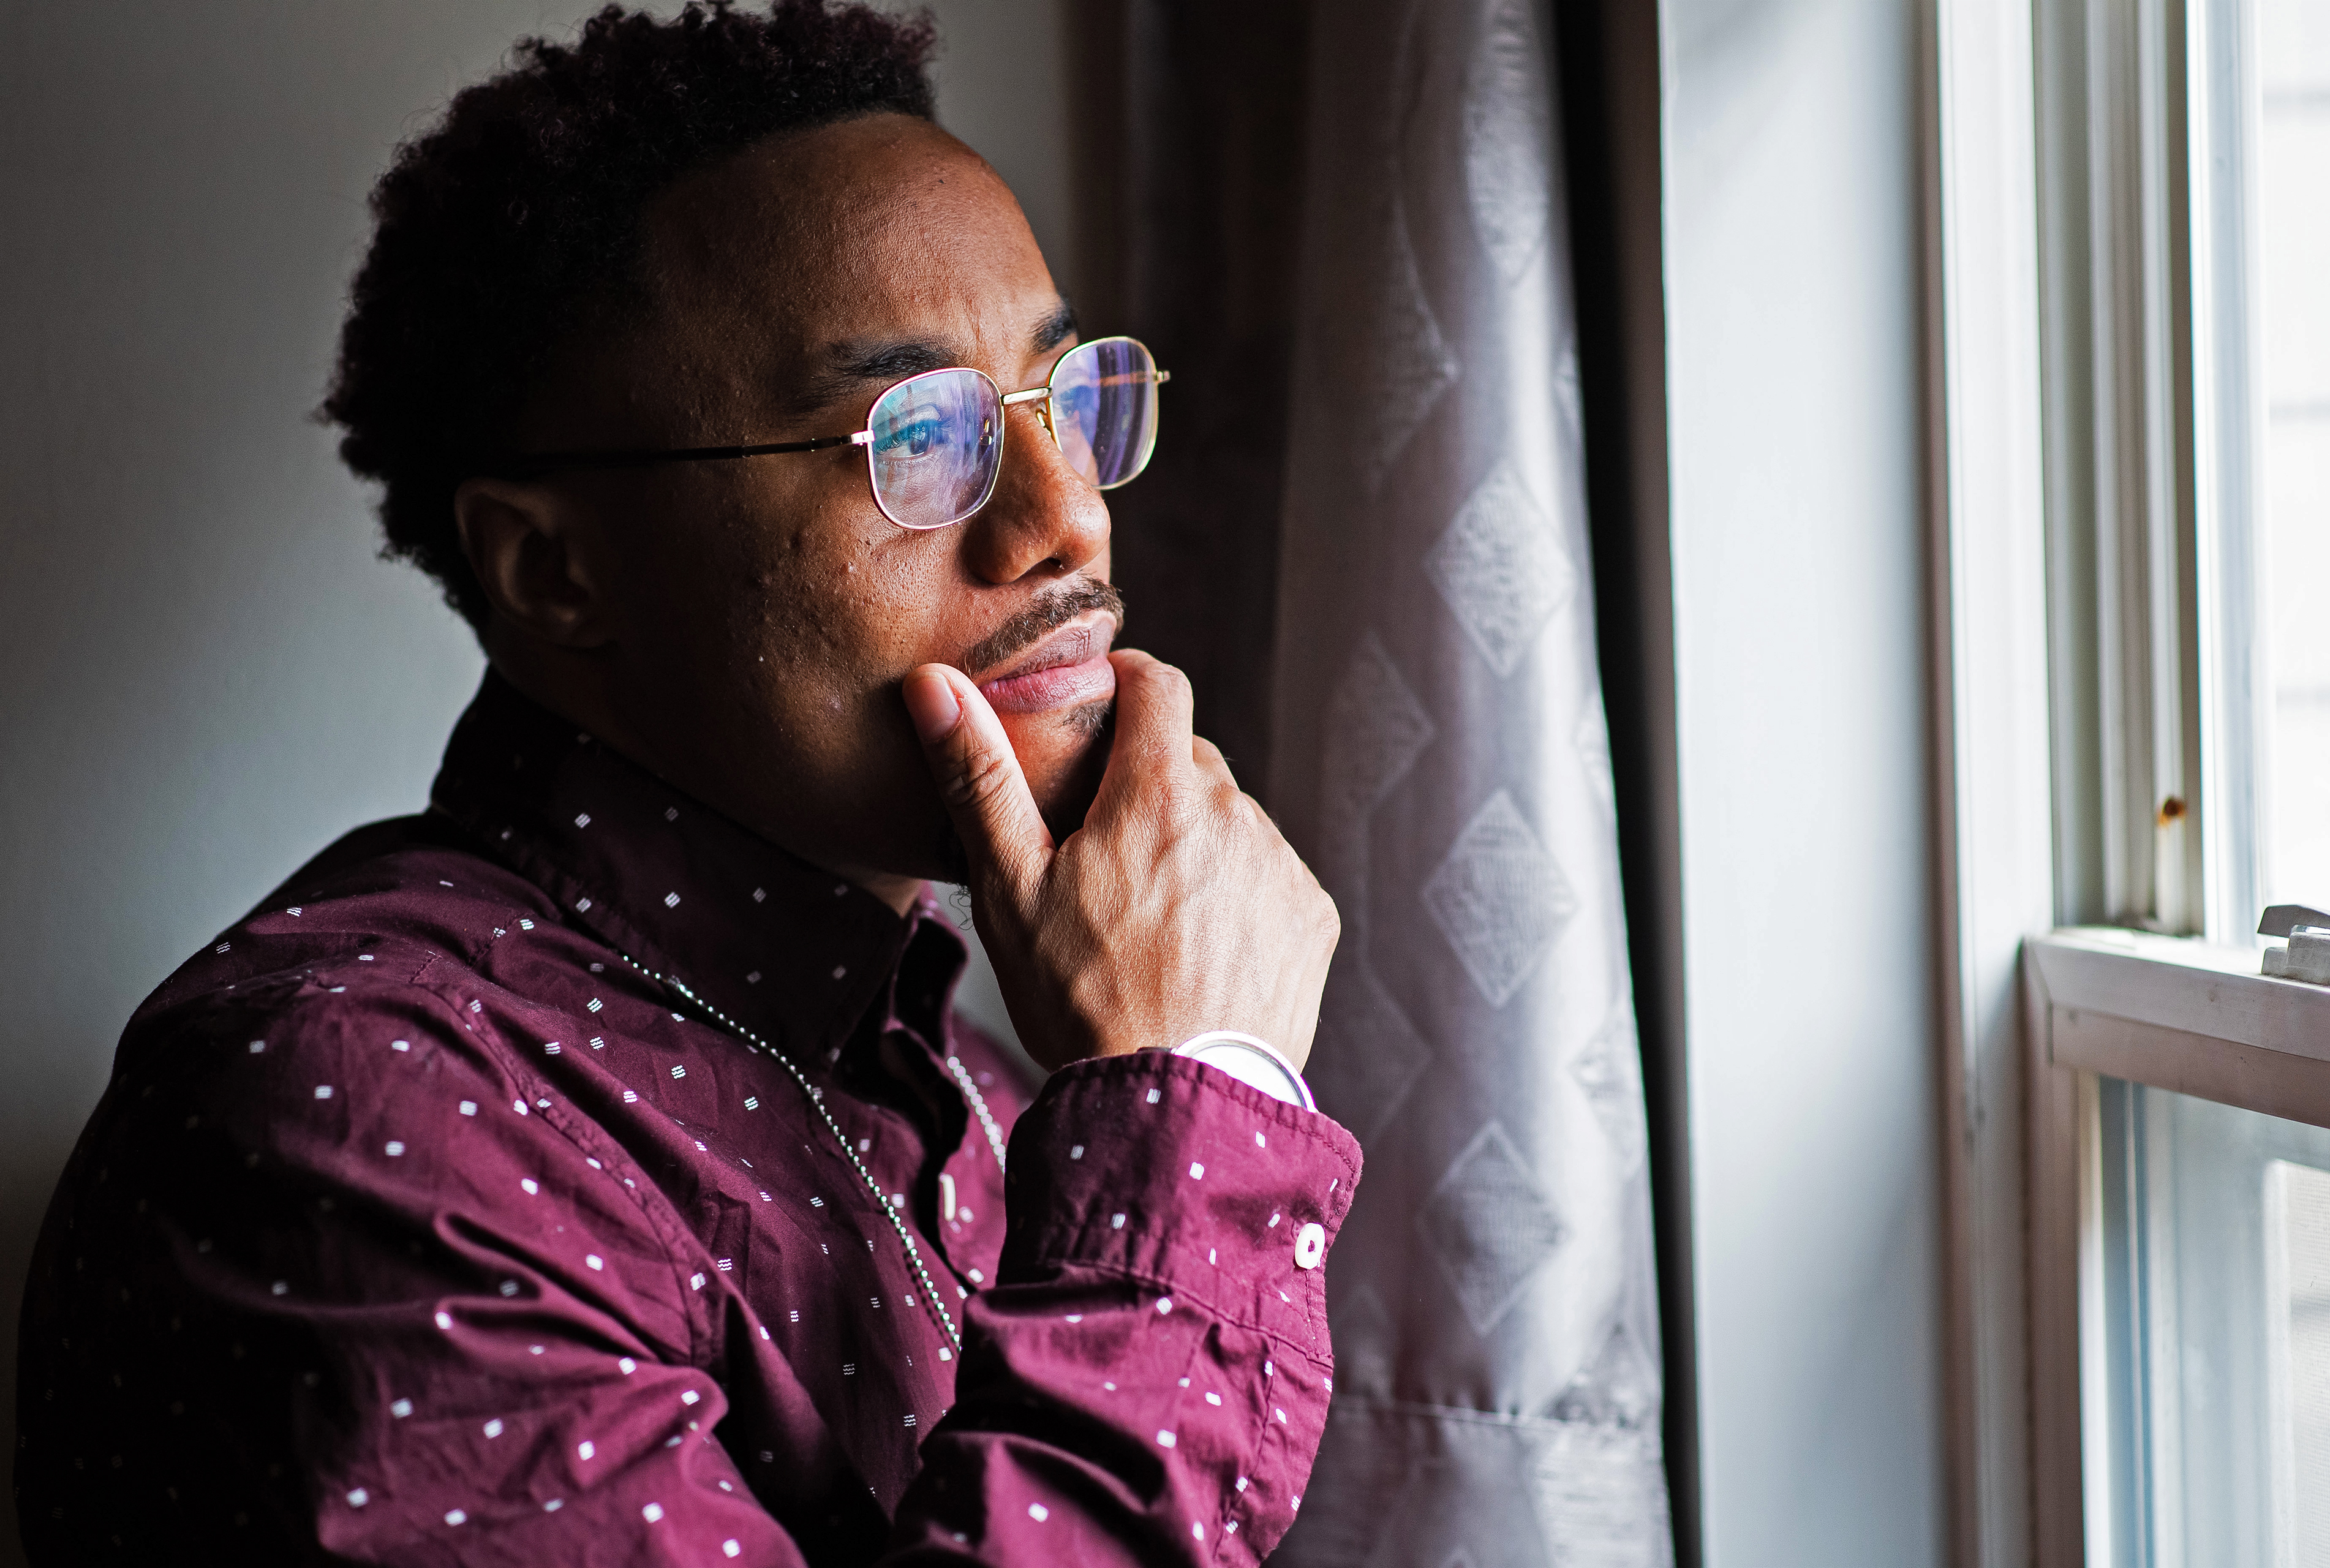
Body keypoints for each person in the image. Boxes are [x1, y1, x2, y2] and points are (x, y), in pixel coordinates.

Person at [12, 4, 1353, 1562]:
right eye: (916, 437)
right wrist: (1195, 1107)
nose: (1067, 524)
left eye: (1069, 399)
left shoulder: (976, 1088)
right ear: (557, 568)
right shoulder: (356, 1120)